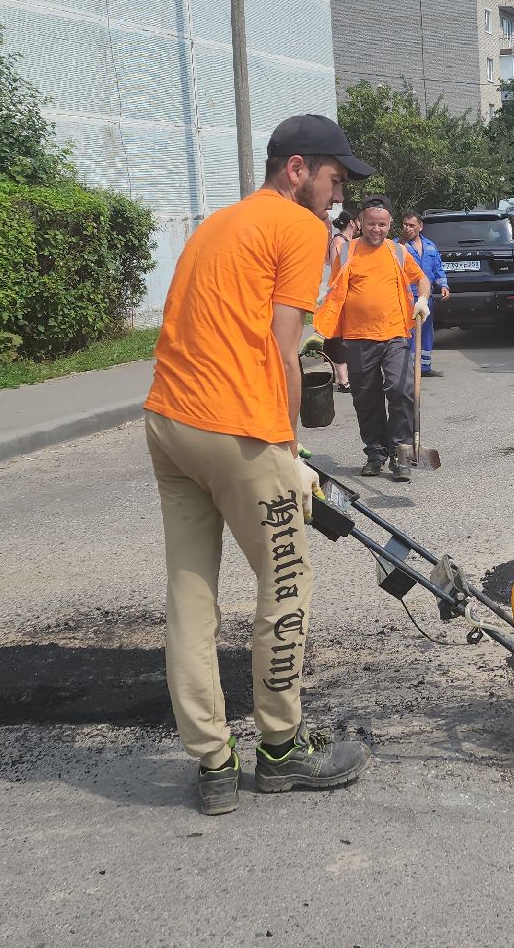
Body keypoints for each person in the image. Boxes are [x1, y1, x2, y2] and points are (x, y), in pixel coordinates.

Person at [142, 114, 376, 815]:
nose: (339, 197)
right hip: (236, 428)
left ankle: (213, 764)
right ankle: (281, 748)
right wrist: (287, 446)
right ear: (297, 168)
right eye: (336, 180)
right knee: (286, 579)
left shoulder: (217, 223)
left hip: (168, 423)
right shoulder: (298, 228)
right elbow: (283, 344)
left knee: (190, 596)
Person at [316, 196, 429, 481]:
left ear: (390, 224)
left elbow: (422, 280)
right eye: (371, 224)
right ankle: (376, 452)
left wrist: (423, 299)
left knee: (401, 390)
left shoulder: (398, 252)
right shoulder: (346, 252)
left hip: (395, 333)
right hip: (356, 337)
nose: (376, 229)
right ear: (360, 224)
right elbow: (333, 293)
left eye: (382, 224)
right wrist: (321, 332)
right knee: (366, 398)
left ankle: (400, 452)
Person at [399, 212, 449, 377]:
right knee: (409, 333)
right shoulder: (396, 246)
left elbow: (438, 269)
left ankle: (425, 367)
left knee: (426, 331)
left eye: (412, 225)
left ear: (420, 227)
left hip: (425, 297)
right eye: (405, 224)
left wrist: (443, 285)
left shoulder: (430, 246)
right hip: (406, 297)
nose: (408, 228)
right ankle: (409, 368)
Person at [324, 209, 358, 391]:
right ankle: (343, 380)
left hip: (348, 293)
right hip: (340, 294)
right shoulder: (339, 242)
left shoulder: (348, 242)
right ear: (352, 222)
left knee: (345, 336)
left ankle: (347, 377)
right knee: (338, 337)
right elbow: (341, 271)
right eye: (358, 220)